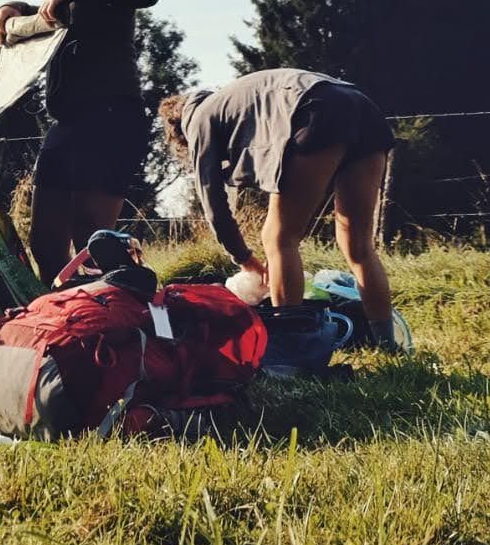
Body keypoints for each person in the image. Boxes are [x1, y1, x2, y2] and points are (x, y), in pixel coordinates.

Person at [0, 0, 161, 280]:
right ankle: (68, 329)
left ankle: (125, 327)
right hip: (69, 120)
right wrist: (16, 9)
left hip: (110, 116)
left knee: (92, 242)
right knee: (45, 245)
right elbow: (70, 17)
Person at [158, 69, 397, 347]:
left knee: (278, 238)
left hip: (317, 110)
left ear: (179, 132)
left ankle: (291, 347)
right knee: (359, 247)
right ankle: (388, 345)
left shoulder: (198, 120)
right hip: (363, 108)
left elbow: (214, 205)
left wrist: (244, 258)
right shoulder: (234, 102)